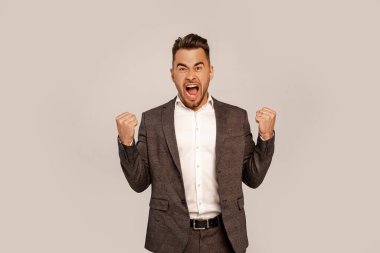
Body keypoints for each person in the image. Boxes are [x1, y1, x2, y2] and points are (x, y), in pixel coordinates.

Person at [115, 33, 276, 253]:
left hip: (225, 238)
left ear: (210, 71)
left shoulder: (236, 118)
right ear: (172, 74)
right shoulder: (152, 121)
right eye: (182, 68)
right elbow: (139, 182)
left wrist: (265, 137)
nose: (191, 76)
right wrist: (127, 143)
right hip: (169, 239)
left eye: (198, 67)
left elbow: (253, 178)